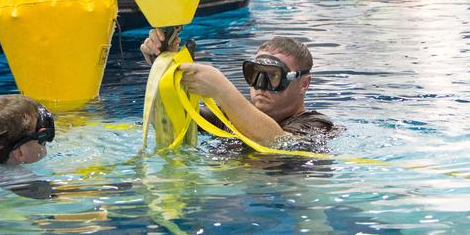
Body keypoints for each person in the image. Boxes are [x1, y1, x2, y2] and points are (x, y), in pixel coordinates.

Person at [141, 30, 336, 147]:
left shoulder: (318, 125)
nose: (260, 85)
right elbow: (168, 121)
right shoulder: (227, 116)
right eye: (254, 73)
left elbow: (280, 143)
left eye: (273, 76)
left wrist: (222, 90)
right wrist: (165, 67)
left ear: (304, 84)